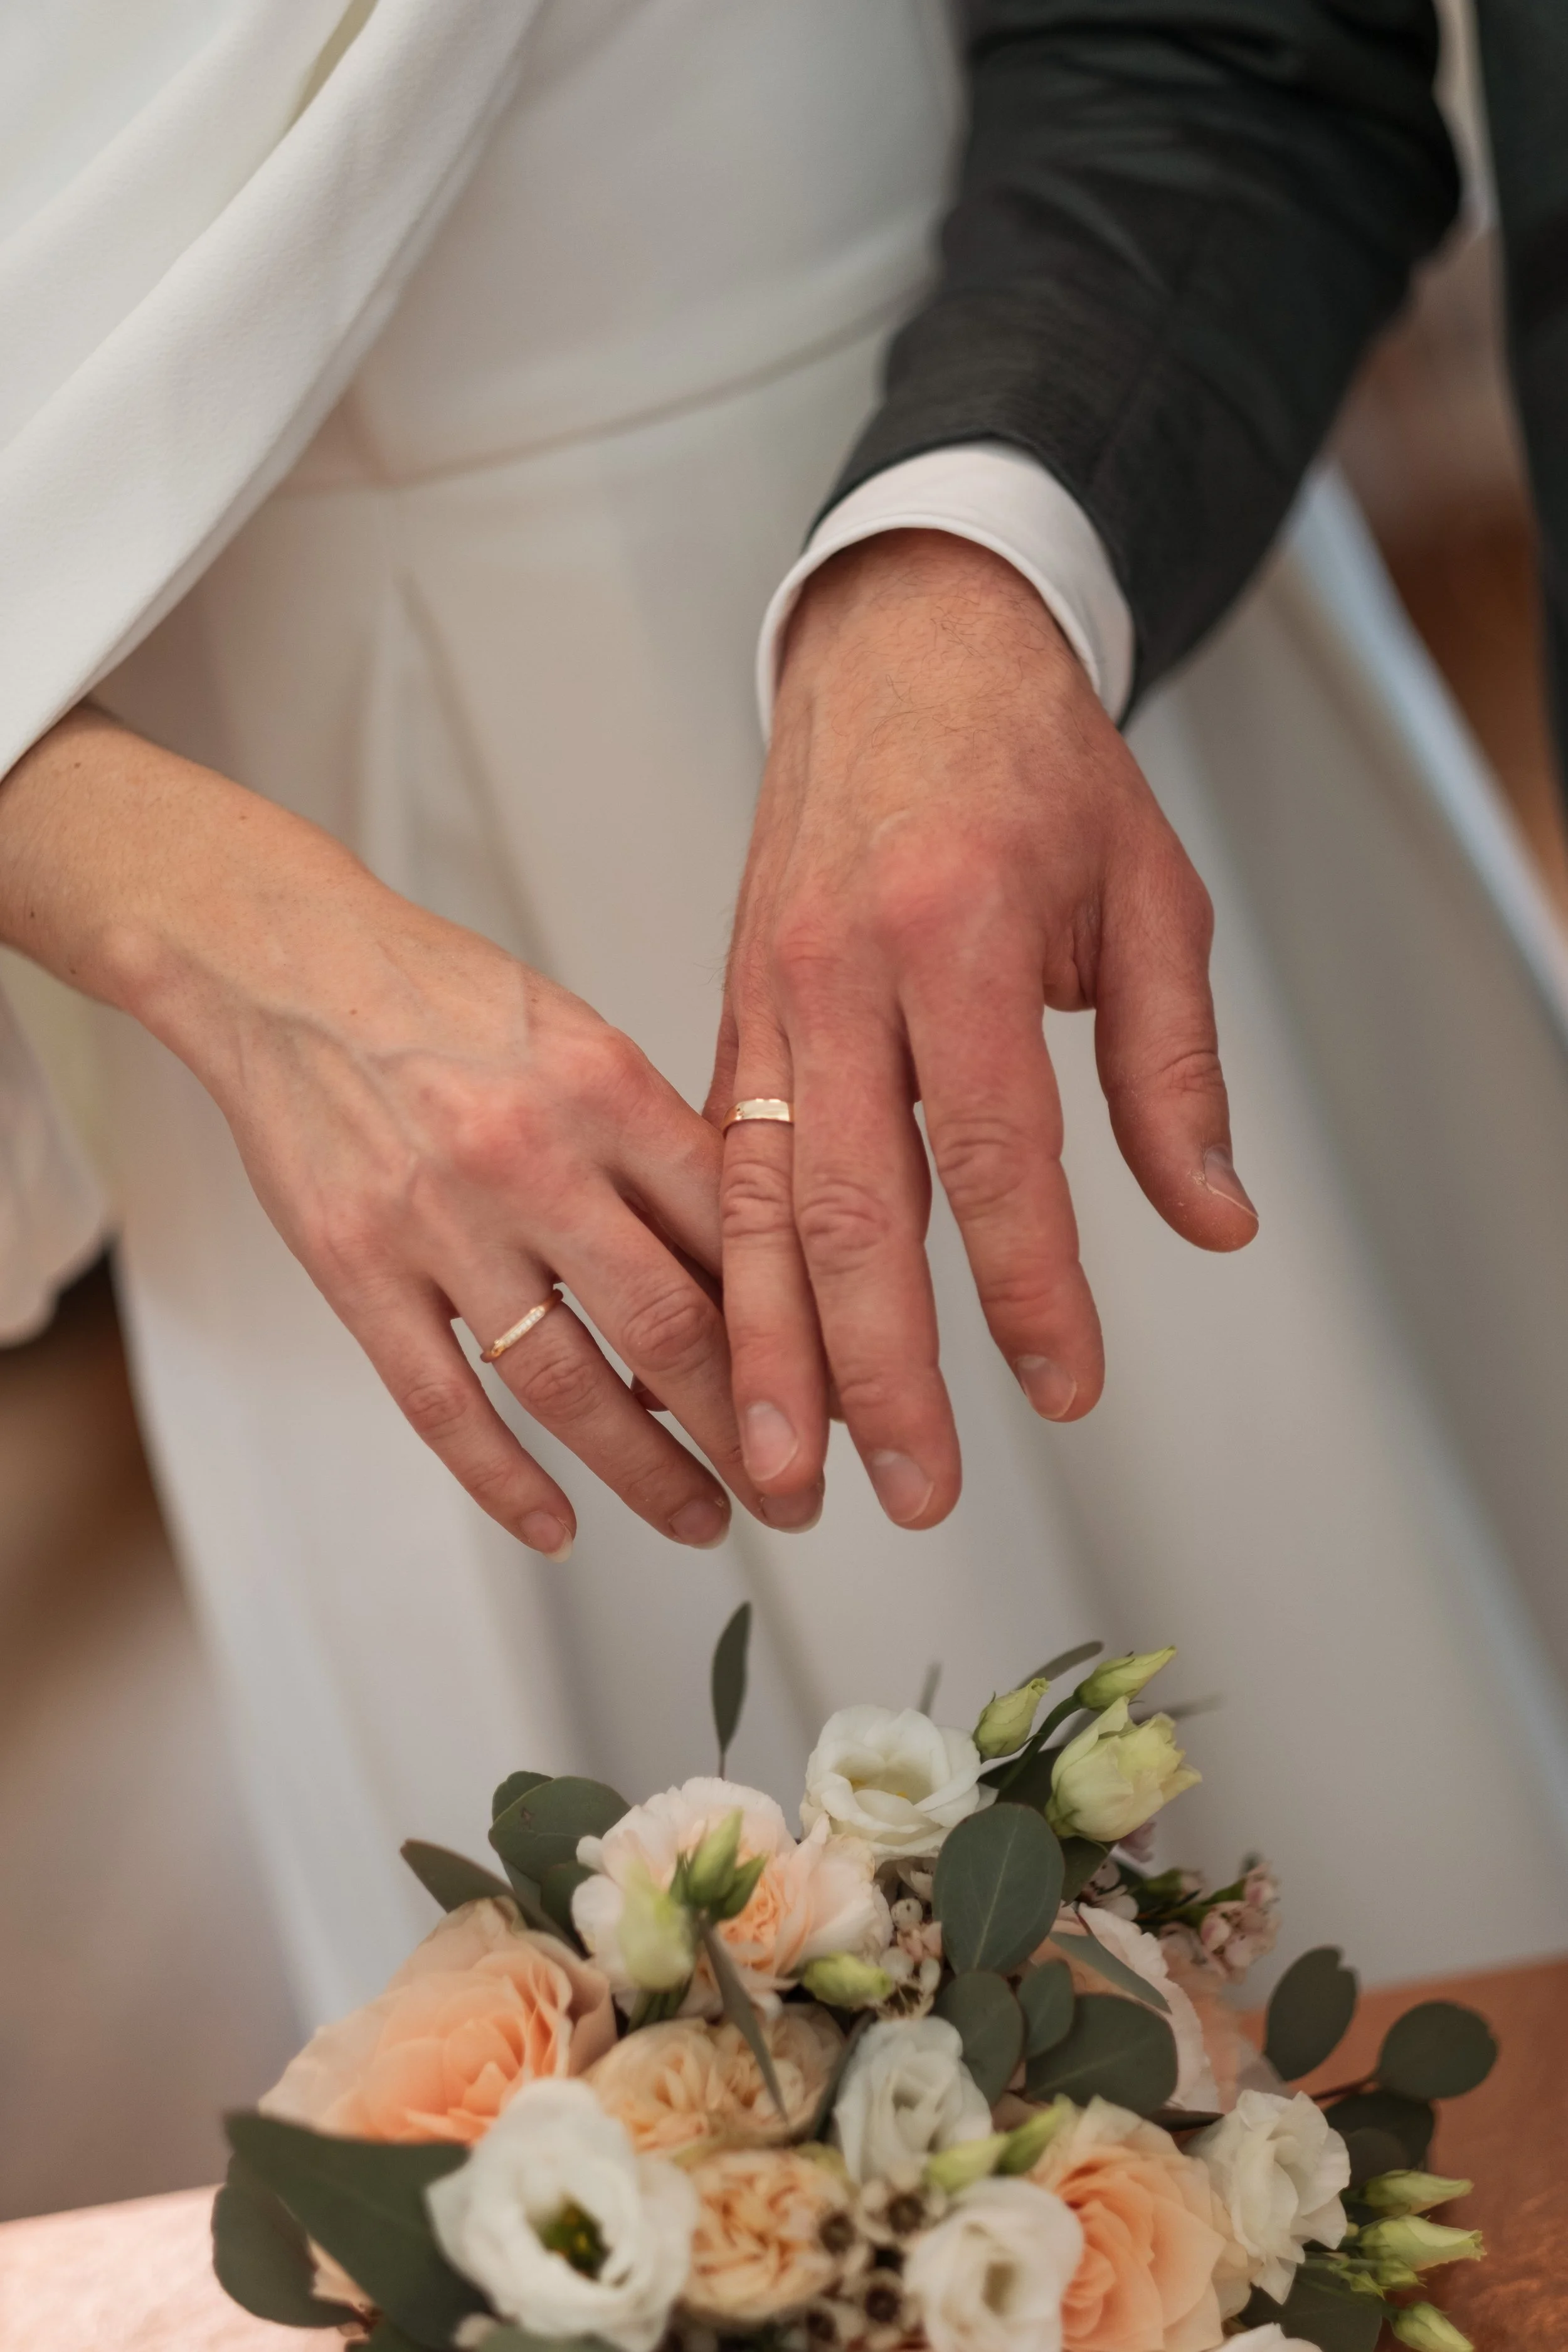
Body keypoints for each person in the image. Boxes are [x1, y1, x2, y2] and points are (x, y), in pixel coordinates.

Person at [3, 0, 1567, 2021]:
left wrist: (975, 569)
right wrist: (174, 909)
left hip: (1041, 579)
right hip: (293, 995)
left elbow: (1222, 42)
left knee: (1397, 1840)